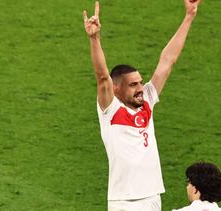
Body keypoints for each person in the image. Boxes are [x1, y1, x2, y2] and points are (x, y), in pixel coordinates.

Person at [83, 0, 202, 210]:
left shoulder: (146, 101)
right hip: (124, 201)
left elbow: (167, 61)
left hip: (152, 196)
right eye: (133, 85)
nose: (140, 88)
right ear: (116, 89)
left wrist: (189, 16)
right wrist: (95, 39)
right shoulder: (110, 110)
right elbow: (102, 77)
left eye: (140, 82)